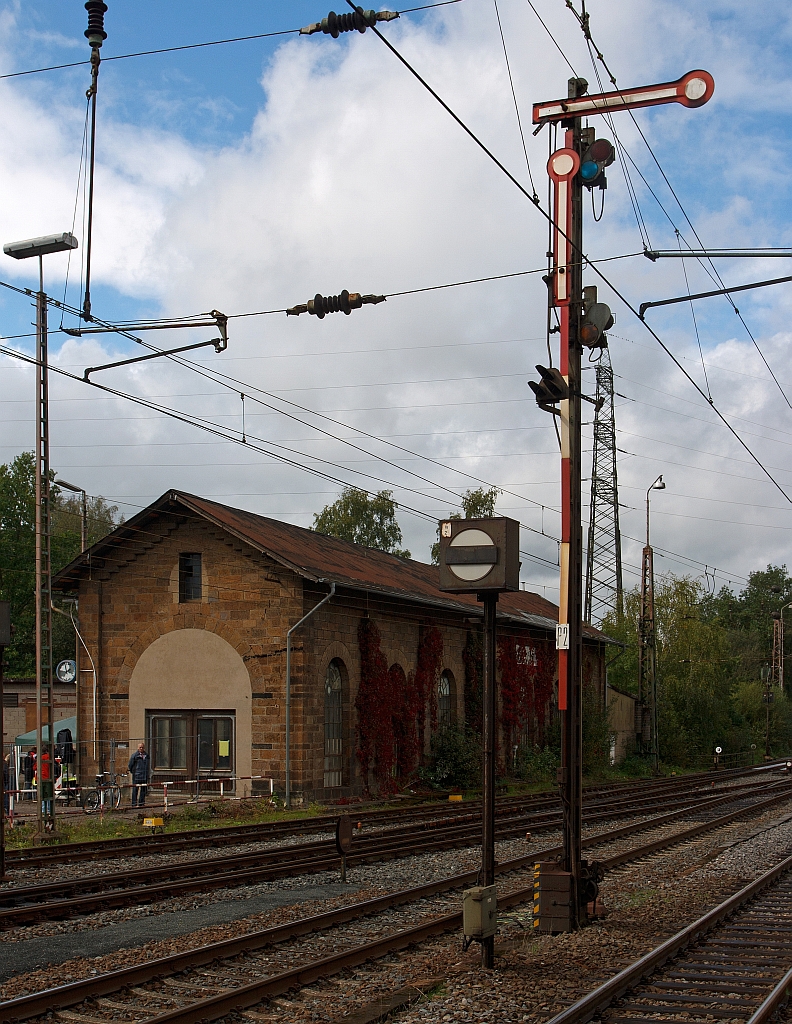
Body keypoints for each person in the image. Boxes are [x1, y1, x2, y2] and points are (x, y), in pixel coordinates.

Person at [128, 742, 150, 808]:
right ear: (138, 748)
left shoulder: (146, 756)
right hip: (136, 775)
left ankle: (141, 803)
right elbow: (130, 765)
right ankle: (134, 804)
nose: (141, 748)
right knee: (135, 790)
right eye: (140, 747)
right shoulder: (134, 756)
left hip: (144, 775)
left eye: (142, 747)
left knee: (143, 790)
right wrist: (134, 772)